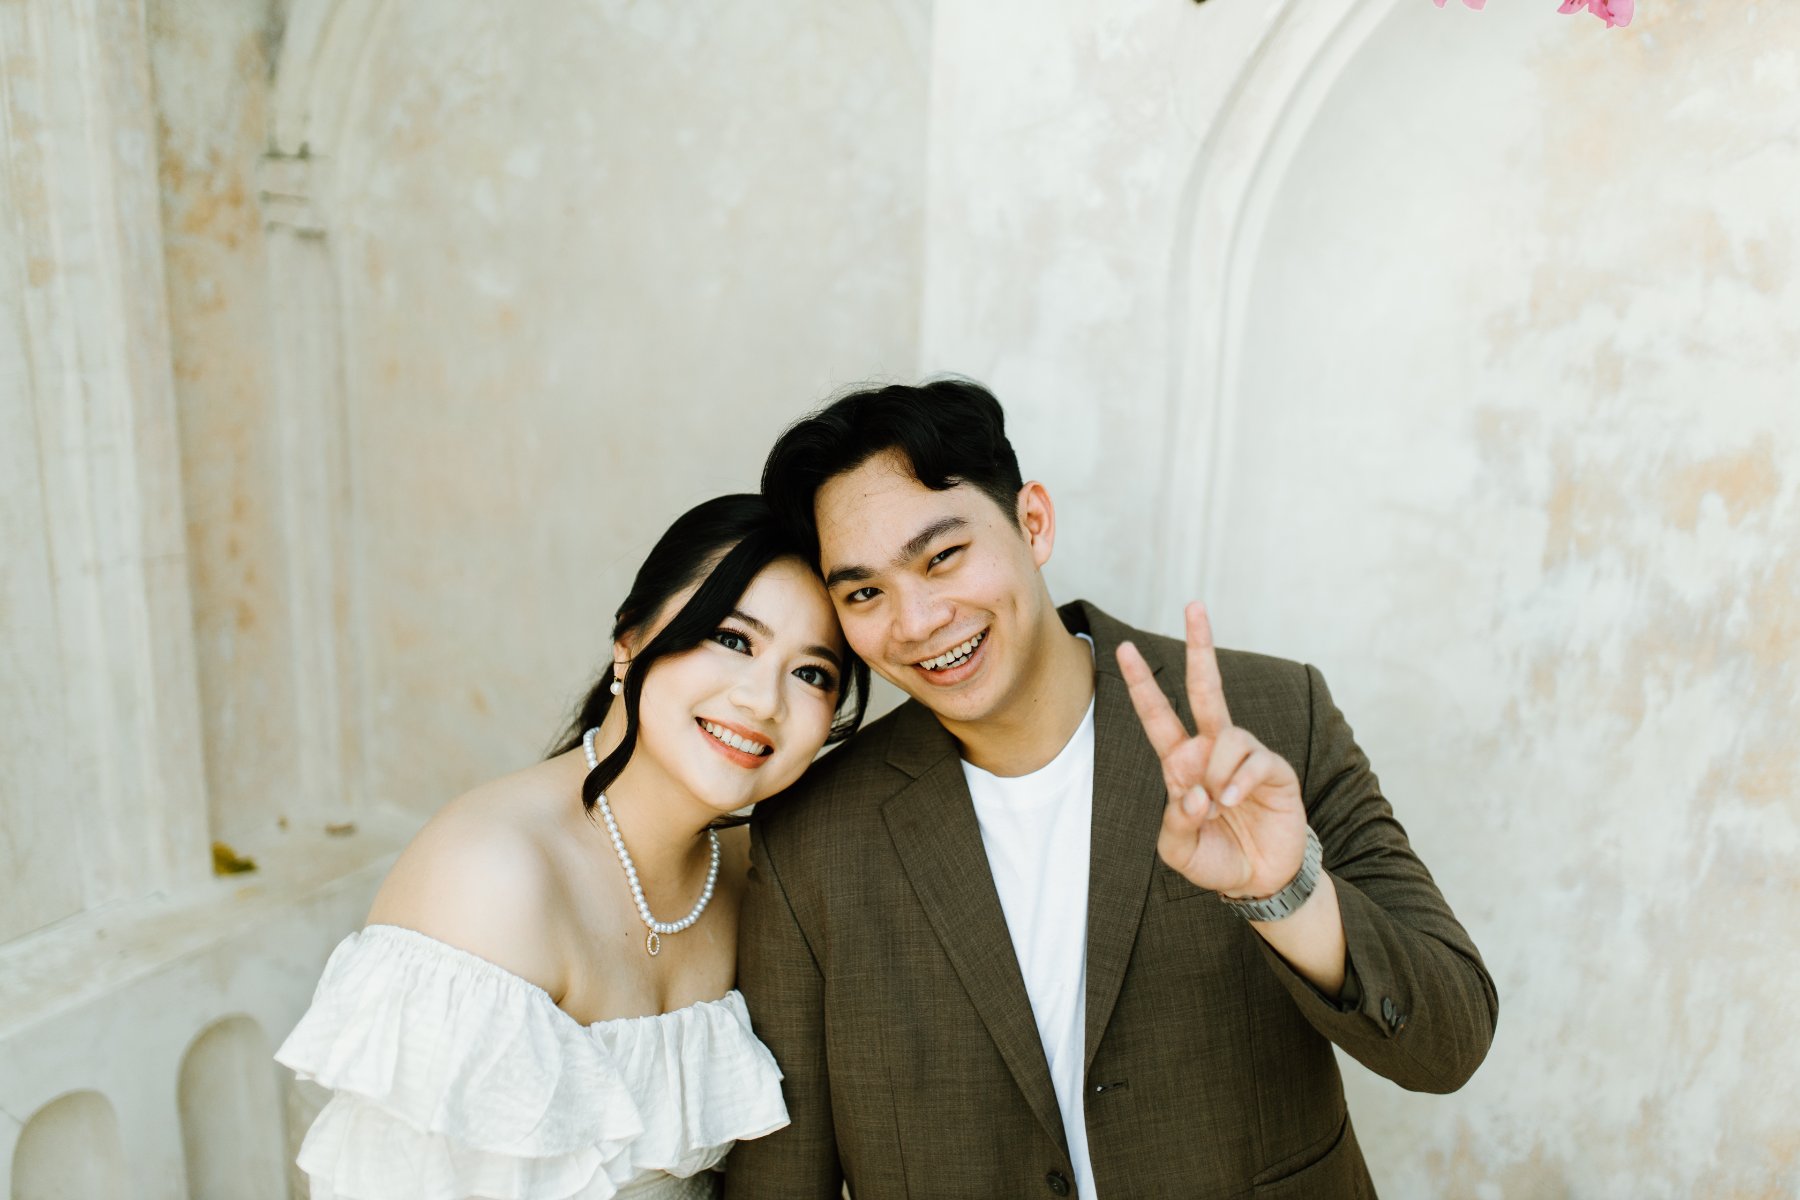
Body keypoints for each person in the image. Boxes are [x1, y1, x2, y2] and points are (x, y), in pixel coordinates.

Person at [726, 380, 1498, 1199]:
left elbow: (1449, 1045)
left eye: (942, 557)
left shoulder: (1274, 716)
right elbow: (782, 1183)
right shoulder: (811, 837)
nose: (915, 621)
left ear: (1033, 521)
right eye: (864, 593)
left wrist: (1288, 895)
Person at [276, 493, 869, 1200]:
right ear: (629, 641)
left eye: (812, 674)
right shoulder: (491, 877)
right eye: (734, 640)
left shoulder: (758, 871)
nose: (764, 700)